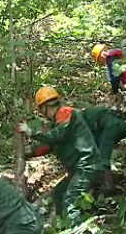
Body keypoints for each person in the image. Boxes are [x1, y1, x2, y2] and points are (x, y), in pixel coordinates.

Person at [17, 86, 104, 227]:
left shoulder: (66, 113)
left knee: (70, 201)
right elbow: (48, 145)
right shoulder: (57, 122)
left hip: (86, 166)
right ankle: (62, 226)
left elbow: (56, 136)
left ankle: (76, 229)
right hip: (78, 169)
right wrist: (27, 153)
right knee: (59, 193)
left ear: (44, 107)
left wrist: (31, 131)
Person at [82, 105, 126, 192]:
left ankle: (108, 187)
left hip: (112, 127)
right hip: (121, 124)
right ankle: (100, 180)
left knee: (102, 157)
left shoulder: (84, 119)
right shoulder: (89, 115)